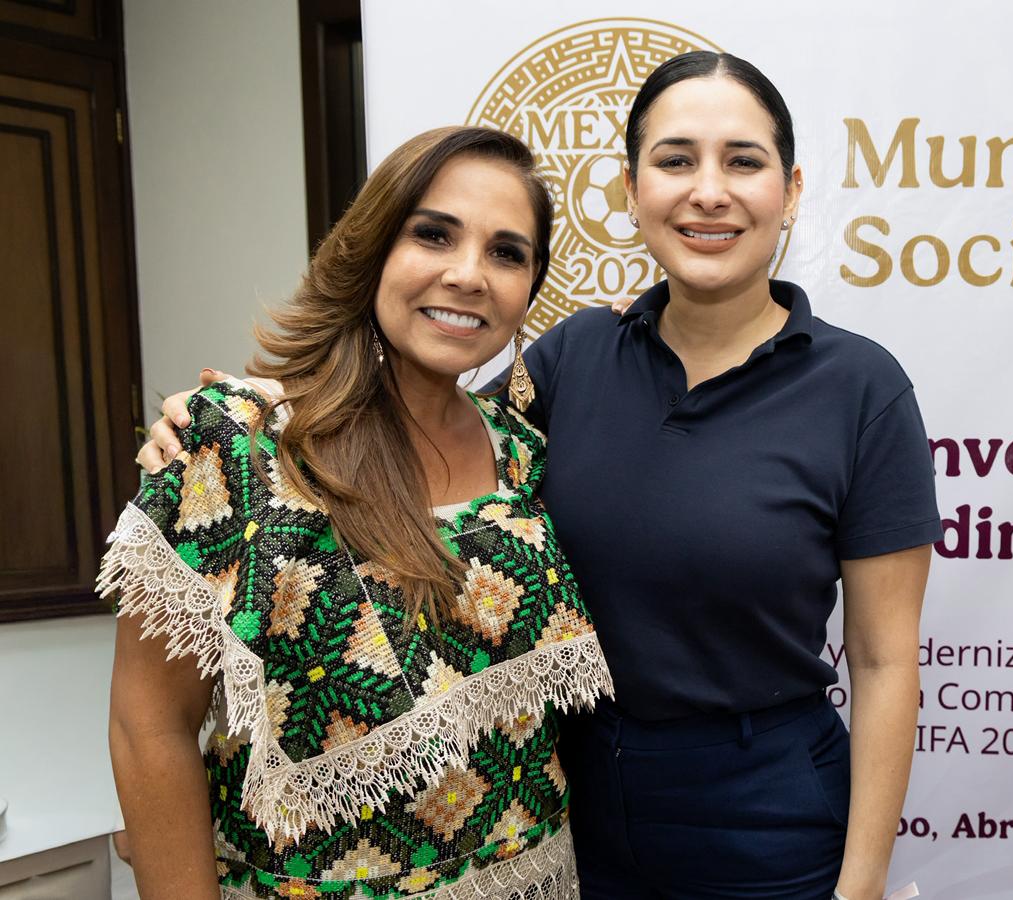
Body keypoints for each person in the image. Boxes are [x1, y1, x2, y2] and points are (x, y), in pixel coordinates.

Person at [142, 52, 939, 900]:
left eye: (743, 160)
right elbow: (418, 415)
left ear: (792, 189)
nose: (709, 190)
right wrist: (250, 409)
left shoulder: (861, 389)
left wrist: (862, 884)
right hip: (567, 795)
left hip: (763, 807)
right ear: (633, 193)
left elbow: (885, 662)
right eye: (675, 160)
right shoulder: (574, 358)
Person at [103, 126, 612, 900]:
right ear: (372, 248)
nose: (469, 274)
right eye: (433, 234)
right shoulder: (236, 448)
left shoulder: (523, 452)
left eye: (508, 253)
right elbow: (150, 730)